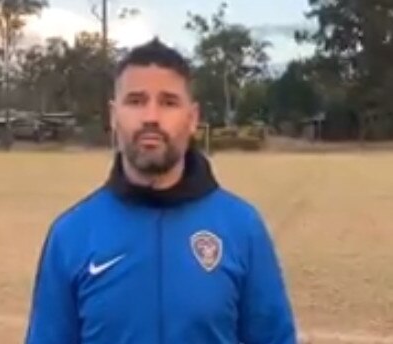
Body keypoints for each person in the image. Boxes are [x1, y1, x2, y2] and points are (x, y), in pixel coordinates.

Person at [25, 38, 297, 344]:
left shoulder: (242, 227)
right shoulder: (71, 234)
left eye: (168, 102)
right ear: (114, 116)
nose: (151, 117)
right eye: (136, 101)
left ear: (192, 118)